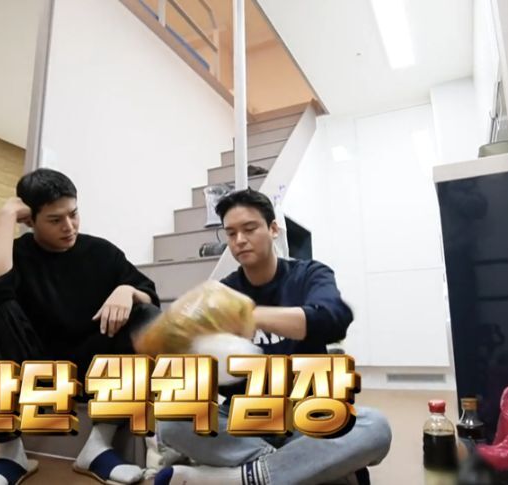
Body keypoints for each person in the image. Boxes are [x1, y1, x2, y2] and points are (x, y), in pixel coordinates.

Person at [155, 189, 392, 485]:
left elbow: (333, 318)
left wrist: (250, 315)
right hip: (247, 417)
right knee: (171, 422)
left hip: (308, 413)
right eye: (231, 233)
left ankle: (240, 477)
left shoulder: (309, 274)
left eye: (249, 228)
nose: (239, 240)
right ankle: (299, 468)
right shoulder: (222, 291)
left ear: (273, 229)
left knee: (375, 427)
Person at [0, 168, 160, 485]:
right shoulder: (16, 255)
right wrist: (6, 214)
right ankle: (10, 453)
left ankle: (98, 446)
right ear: (30, 221)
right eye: (55, 220)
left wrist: (128, 291)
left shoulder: (102, 252)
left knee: (145, 316)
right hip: (36, 371)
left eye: (73, 214)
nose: (69, 226)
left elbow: (151, 298)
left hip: (92, 368)